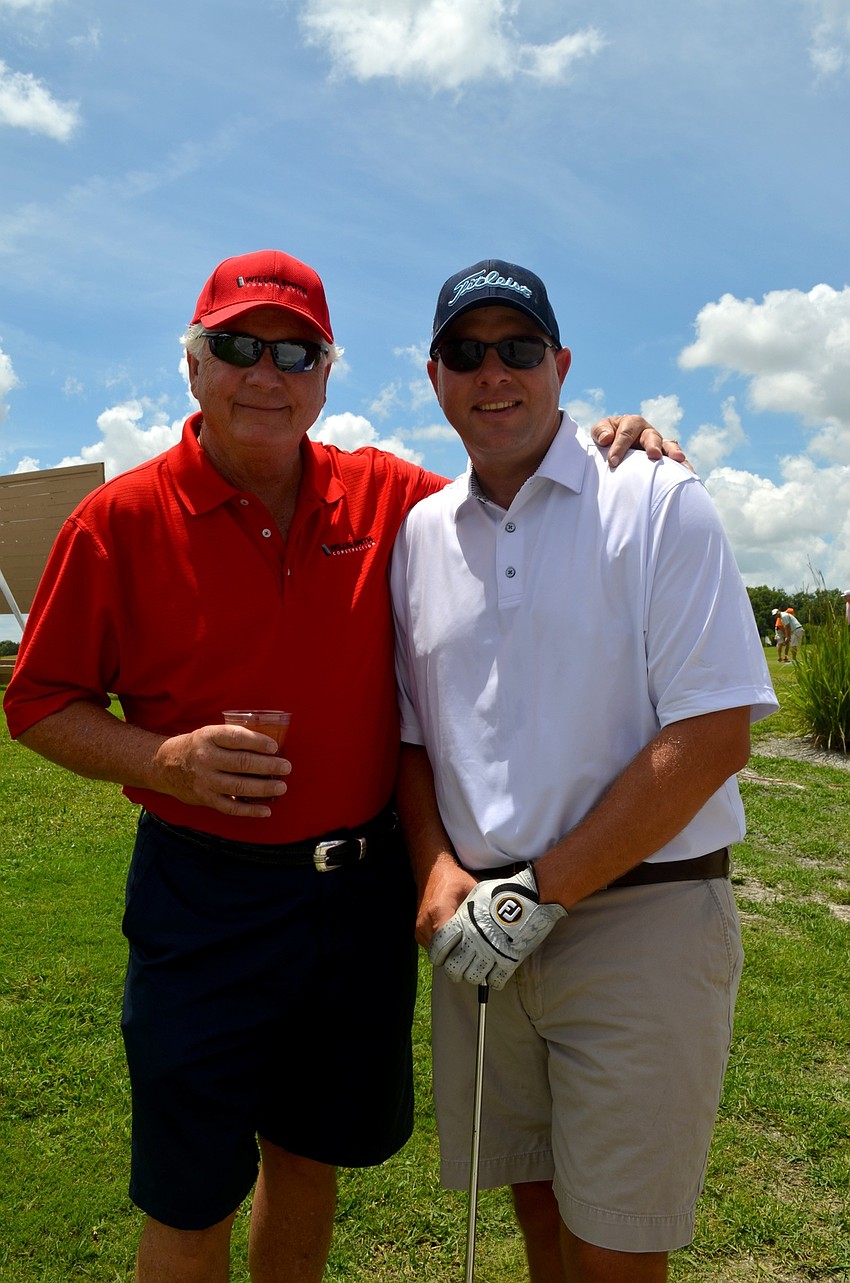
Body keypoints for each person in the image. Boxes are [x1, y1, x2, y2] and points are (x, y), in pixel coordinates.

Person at [2, 249, 670, 1283]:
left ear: (324, 375)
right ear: (193, 368)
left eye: (294, 350)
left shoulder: (386, 496)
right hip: (202, 894)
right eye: (236, 346)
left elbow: (510, 474)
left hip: (357, 894)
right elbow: (36, 701)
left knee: (307, 1156)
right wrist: (162, 757)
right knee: (188, 1190)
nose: (264, 372)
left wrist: (612, 437)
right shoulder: (117, 520)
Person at [390, 258, 778, 1283]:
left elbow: (712, 734)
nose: (493, 373)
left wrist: (542, 893)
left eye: (518, 348)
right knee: (536, 1207)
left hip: (639, 916)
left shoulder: (653, 497)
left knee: (612, 1240)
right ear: (434, 378)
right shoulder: (420, 533)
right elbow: (415, 741)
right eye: (466, 354)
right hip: (482, 925)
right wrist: (435, 872)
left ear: (559, 364)